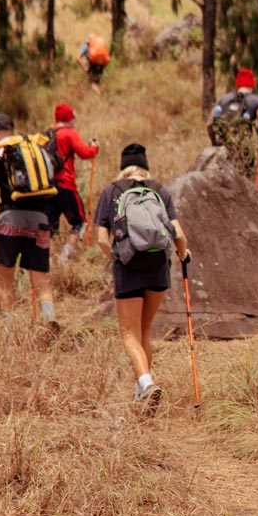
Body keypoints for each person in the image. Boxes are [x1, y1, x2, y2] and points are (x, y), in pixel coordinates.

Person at [94, 144, 189, 409]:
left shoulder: (112, 191)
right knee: (145, 331)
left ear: (123, 168)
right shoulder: (159, 190)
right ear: (146, 167)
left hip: (129, 267)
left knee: (129, 334)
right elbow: (179, 235)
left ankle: (147, 384)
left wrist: (117, 257)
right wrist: (182, 254)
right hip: (159, 265)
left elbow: (102, 239)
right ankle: (142, 392)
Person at [0, 112, 62, 329]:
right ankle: (50, 317)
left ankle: (10, 325)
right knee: (41, 279)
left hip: (10, 221)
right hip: (40, 220)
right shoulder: (32, 149)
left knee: (5, 278)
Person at [48, 103, 99, 264]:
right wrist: (94, 147)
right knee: (80, 222)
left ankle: (47, 261)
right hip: (66, 184)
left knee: (49, 228)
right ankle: (64, 259)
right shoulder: (69, 133)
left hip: (47, 187)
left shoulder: (47, 134)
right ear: (69, 119)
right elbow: (85, 153)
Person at [208, 68, 258, 174]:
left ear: (238, 83)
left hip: (223, 146)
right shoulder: (256, 101)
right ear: (252, 84)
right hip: (244, 147)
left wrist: (214, 142)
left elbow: (209, 123)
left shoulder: (224, 99)